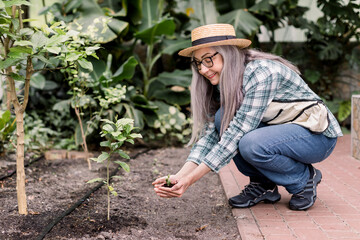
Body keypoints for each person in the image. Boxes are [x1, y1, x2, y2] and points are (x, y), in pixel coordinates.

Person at [152, 23, 342, 210]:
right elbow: (211, 135)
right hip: (279, 132)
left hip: (317, 137)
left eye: (208, 59)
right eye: (198, 63)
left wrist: (190, 180)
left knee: (250, 143)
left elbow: (236, 134)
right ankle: (263, 185)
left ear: (228, 53)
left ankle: (303, 179)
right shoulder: (222, 81)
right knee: (221, 119)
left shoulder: (262, 73)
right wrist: (180, 175)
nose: (202, 69)